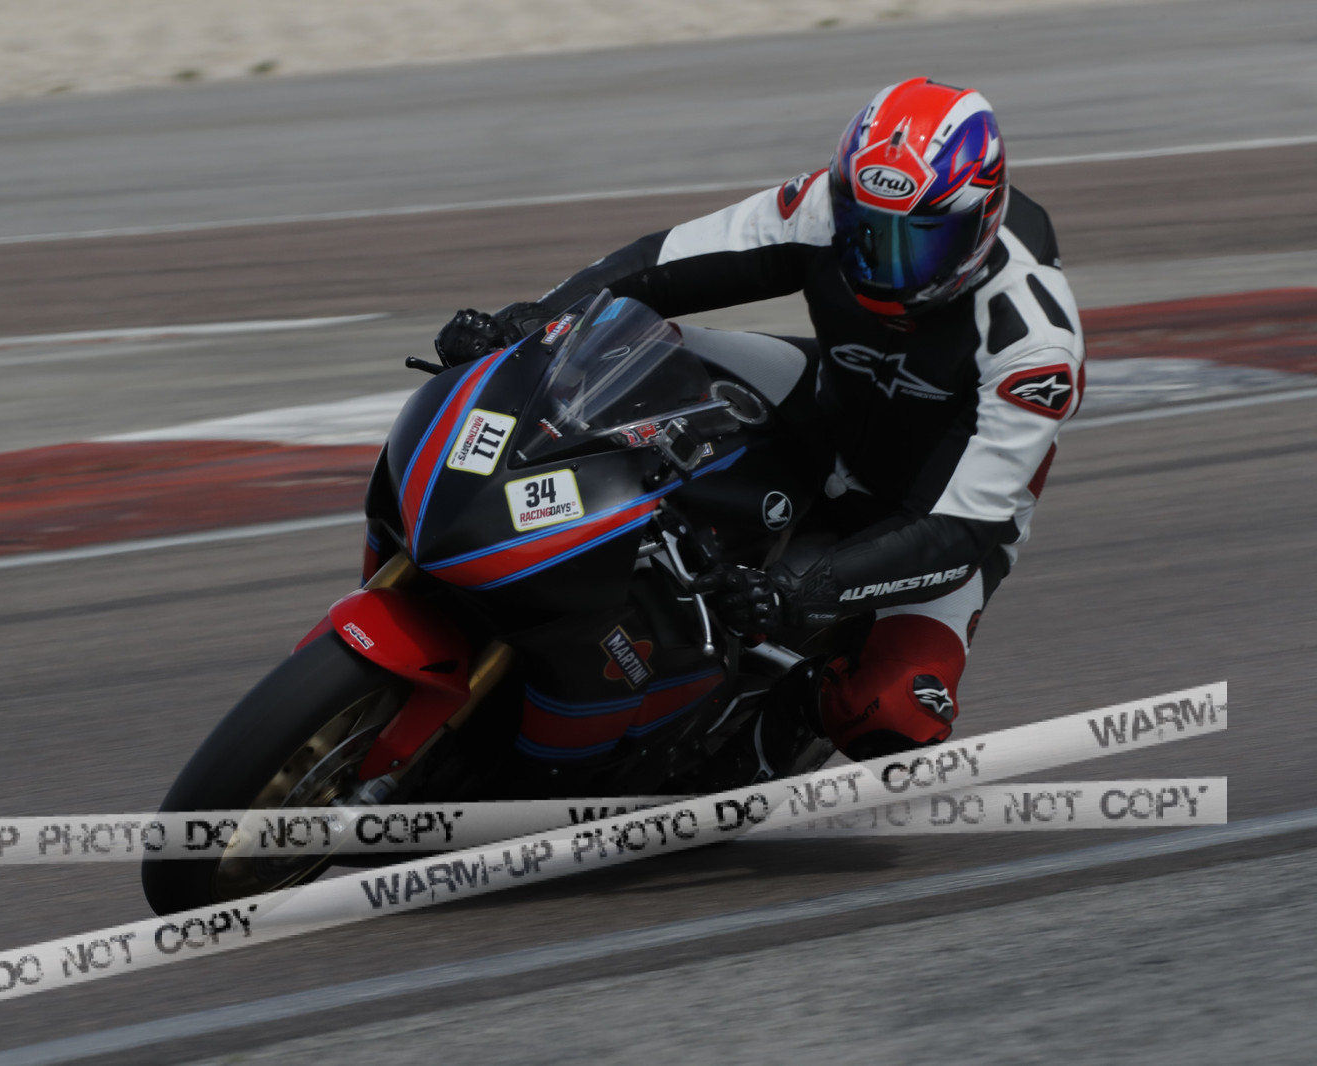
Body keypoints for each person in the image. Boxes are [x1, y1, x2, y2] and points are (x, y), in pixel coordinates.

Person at [434, 77, 1085, 761]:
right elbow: (663, 263)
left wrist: (797, 591)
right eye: (864, 231)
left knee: (893, 712)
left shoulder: (1034, 344)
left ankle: (780, 722)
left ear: (979, 221)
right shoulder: (828, 204)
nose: (879, 262)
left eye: (915, 243)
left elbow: (961, 527)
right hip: (827, 406)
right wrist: (530, 324)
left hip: (934, 510)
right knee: (615, 357)